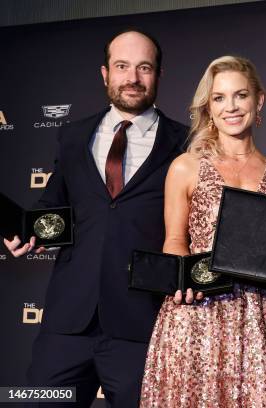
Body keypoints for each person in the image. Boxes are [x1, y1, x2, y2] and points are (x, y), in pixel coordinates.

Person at [3, 30, 189, 406]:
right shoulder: (73, 136)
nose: (132, 78)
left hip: (141, 324)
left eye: (144, 67)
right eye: (122, 66)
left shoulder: (186, 143)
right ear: (105, 74)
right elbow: (53, 202)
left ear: (159, 75)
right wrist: (25, 231)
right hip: (67, 322)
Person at [140, 56, 266, 407]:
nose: (231, 107)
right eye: (219, 98)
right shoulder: (186, 166)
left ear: (259, 100)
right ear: (209, 106)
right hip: (194, 312)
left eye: (240, 95)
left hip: (254, 320)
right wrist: (182, 284)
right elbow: (175, 240)